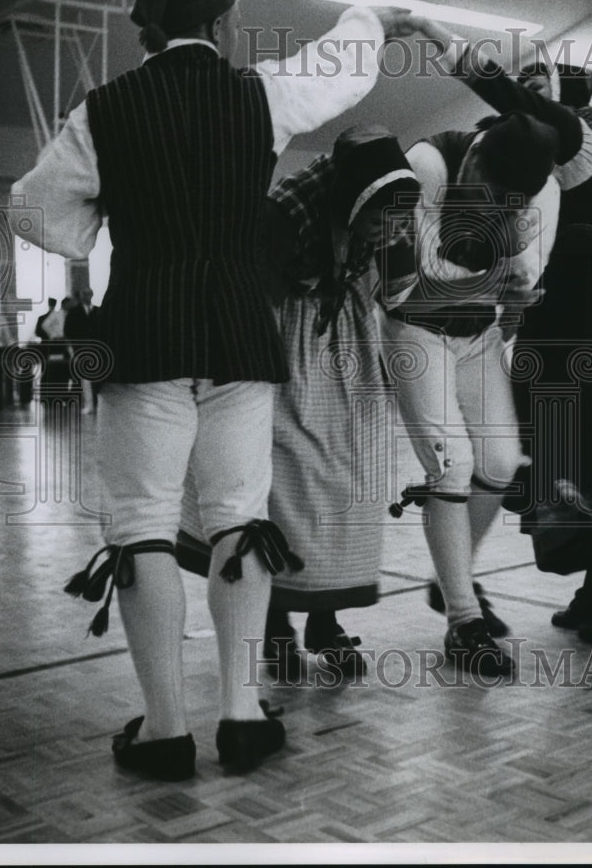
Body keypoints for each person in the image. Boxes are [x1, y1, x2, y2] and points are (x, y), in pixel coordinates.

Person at [9, 0, 421, 781]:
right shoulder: (259, 93)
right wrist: (376, 19)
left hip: (147, 333)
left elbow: (31, 207)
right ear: (224, 26)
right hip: (241, 333)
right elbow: (336, 72)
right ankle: (240, 716)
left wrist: (94, 230)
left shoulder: (103, 110)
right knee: (239, 516)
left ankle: (164, 731)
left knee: (143, 524)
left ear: (150, 31)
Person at [407, 19, 592, 644]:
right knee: (566, 448)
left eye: (538, 91)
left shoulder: (573, 138)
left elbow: (504, 97)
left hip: (585, 309)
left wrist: (436, 37)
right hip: (586, 305)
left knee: (587, 443)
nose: (529, 100)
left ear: (560, 100)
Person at [177, 126, 421, 681]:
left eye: (402, 219)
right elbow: (250, 301)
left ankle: (326, 619)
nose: (396, 229)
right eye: (386, 220)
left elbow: (402, 293)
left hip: (346, 340)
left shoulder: (392, 201)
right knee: (287, 483)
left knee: (347, 482)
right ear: (354, 202)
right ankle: (277, 622)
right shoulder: (284, 214)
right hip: (281, 336)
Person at [376, 109, 561, 679]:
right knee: (451, 468)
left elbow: (526, 280)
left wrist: (518, 288)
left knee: (504, 462)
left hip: (476, 332)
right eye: (490, 193)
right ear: (475, 157)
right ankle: (463, 619)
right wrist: (497, 277)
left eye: (511, 200)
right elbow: (404, 279)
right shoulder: (429, 163)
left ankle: (448, 576)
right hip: (414, 329)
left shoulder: (545, 188)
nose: (496, 207)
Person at [64, 287, 100, 412]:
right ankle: (89, 404)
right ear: (80, 296)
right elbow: (68, 332)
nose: (87, 296)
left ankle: (98, 403)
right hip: (81, 349)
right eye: (84, 294)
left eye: (89, 293)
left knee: (97, 377)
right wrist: (74, 351)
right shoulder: (73, 312)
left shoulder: (97, 311)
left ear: (92, 295)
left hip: (97, 349)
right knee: (85, 378)